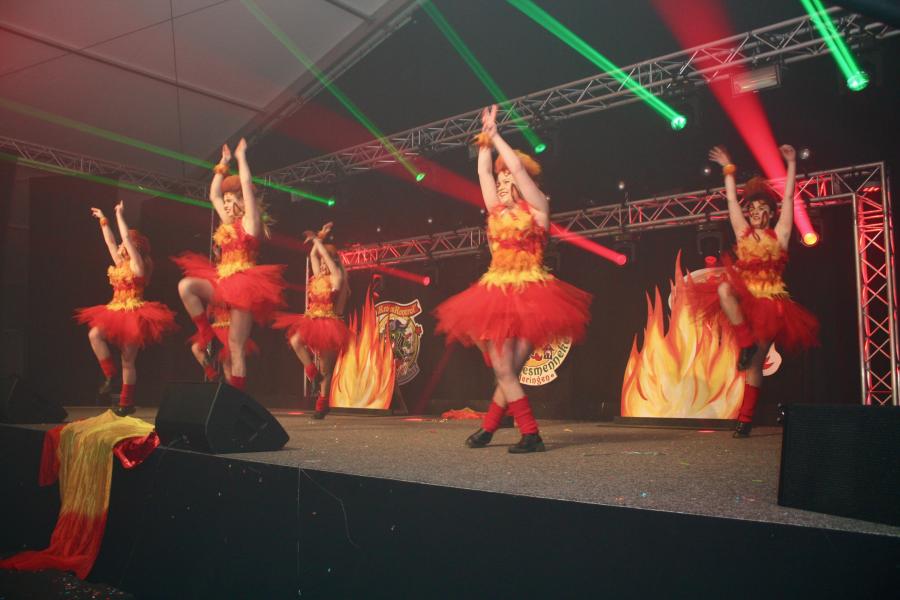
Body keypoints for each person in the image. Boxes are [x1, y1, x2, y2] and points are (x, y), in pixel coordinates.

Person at [434, 105, 592, 453]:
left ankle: (529, 433)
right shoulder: (496, 211)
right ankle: (490, 429)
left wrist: (498, 137)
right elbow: (483, 174)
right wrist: (484, 143)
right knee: (507, 371)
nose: (502, 185)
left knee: (505, 371)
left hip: (531, 295)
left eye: (508, 181)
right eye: (501, 180)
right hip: (496, 292)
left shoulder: (538, 210)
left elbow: (518, 168)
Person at [690, 144, 819, 437]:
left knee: (755, 366)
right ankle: (745, 344)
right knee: (724, 289)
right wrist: (728, 168)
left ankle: (745, 419)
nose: (756, 212)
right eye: (753, 209)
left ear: (770, 214)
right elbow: (731, 202)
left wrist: (790, 164)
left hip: (770, 304)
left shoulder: (781, 234)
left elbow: (789, 198)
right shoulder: (742, 233)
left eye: (762, 209)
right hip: (745, 298)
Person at [174, 138, 285, 391]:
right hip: (223, 283)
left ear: (240, 201)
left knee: (236, 347)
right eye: (224, 201)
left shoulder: (250, 223)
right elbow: (213, 194)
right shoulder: (228, 224)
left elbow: (246, 184)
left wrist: (242, 157)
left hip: (244, 286)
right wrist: (223, 163)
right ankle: (208, 336)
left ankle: (238, 396)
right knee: (185, 286)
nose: (223, 203)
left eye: (228, 200)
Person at [75, 201, 176, 416]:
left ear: (134, 248)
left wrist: (120, 215)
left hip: (133, 313)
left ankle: (126, 402)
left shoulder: (137, 266)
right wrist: (103, 220)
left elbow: (125, 239)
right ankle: (110, 375)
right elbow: (110, 242)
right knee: (94, 335)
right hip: (115, 310)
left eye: (125, 244)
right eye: (122, 244)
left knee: (128, 360)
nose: (120, 246)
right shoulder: (120, 263)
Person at [272, 223, 350, 419]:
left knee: (327, 367)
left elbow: (326, 260)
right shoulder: (317, 277)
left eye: (326, 262)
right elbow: (314, 256)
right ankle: (312, 373)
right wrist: (320, 237)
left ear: (332, 262)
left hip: (330, 324)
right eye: (321, 263)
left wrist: (317, 240)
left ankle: (322, 405)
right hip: (313, 320)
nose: (322, 265)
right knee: (295, 341)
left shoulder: (337, 278)